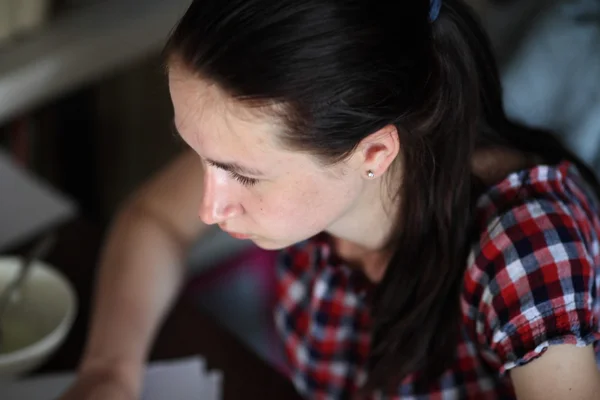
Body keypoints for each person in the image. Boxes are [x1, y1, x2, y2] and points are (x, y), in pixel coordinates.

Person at [60, 0, 600, 398]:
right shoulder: (309, 157)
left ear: (373, 153)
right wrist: (110, 370)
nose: (209, 206)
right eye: (202, 157)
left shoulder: (527, 249)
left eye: (242, 177)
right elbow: (155, 218)